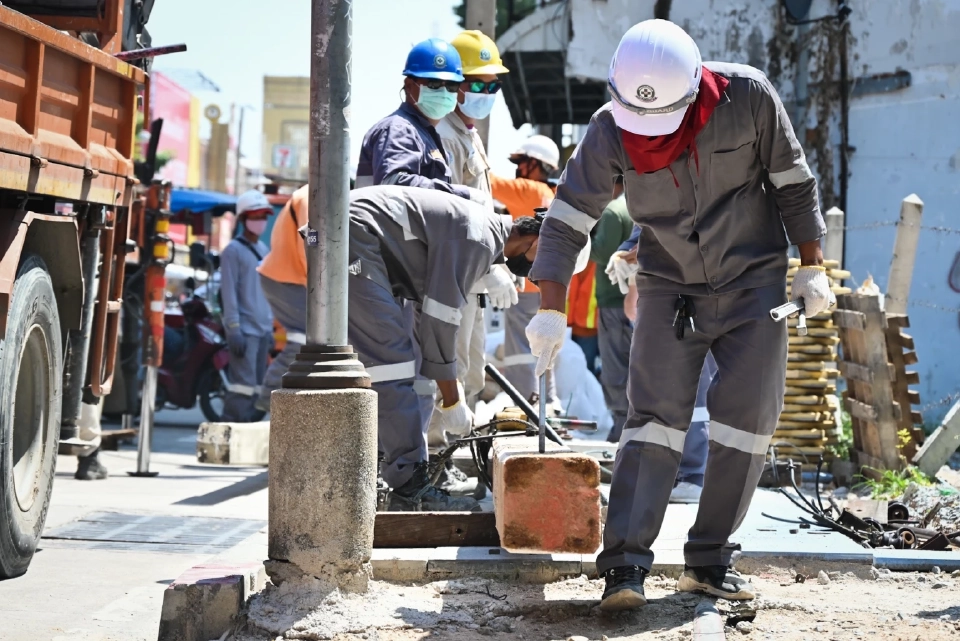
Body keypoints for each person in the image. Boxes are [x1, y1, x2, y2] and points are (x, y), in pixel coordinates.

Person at [524, 19, 833, 610]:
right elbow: (566, 217)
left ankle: (710, 561)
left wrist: (812, 265)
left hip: (754, 282)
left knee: (747, 422)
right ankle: (624, 567)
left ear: (694, 88)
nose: (650, 134)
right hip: (669, 285)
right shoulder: (609, 128)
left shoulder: (750, 98)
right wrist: (551, 309)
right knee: (652, 423)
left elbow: (793, 181)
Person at [341, 185, 543, 511]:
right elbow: (440, 320)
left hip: (357, 232)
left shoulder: (482, 235)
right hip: (353, 230)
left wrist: (448, 388)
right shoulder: (479, 239)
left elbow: (429, 311)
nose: (536, 274)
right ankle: (409, 488)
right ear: (536, 240)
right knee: (392, 362)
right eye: (542, 264)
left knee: (408, 363)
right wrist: (452, 400)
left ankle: (401, 469)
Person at [432, 30, 516, 478]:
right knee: (447, 370)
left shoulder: (469, 134)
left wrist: (494, 260)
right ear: (455, 84)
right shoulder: (443, 135)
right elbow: (451, 216)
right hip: (454, 276)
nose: (486, 93)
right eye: (478, 83)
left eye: (492, 85)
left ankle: (445, 458)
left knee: (471, 373)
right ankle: (428, 464)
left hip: (471, 276)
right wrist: (487, 266)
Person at [613, 226, 718, 503]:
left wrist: (640, 258)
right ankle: (671, 472)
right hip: (668, 300)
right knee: (659, 392)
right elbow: (643, 229)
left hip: (699, 298)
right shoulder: (651, 202)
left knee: (695, 391)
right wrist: (625, 256)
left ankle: (695, 474)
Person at [489, 135, 561, 404]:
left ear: (535, 164)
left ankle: (526, 403)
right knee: (544, 345)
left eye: (522, 162)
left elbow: (486, 182)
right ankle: (548, 402)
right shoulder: (553, 194)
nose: (518, 168)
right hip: (547, 285)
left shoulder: (528, 189)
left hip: (525, 285)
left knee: (520, 349)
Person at [220, 190, 274, 422]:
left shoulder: (263, 250)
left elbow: (267, 293)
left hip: (262, 331)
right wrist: (233, 329)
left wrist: (270, 330)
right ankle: (233, 426)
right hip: (245, 331)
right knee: (242, 386)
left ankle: (248, 429)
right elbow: (229, 293)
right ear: (243, 219)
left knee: (258, 387)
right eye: (255, 216)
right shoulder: (232, 251)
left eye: (263, 216)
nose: (260, 221)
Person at [256, 185, 308, 413]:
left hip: (287, 277)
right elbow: (310, 245)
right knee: (305, 337)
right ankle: (268, 397)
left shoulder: (311, 194)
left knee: (312, 338)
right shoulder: (314, 196)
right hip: (288, 278)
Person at [589, 180, 633, 442]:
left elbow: (601, 252)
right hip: (640, 302)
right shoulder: (644, 207)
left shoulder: (614, 211)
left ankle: (621, 431)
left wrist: (582, 235)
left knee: (616, 368)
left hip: (614, 302)